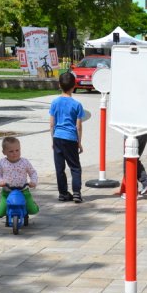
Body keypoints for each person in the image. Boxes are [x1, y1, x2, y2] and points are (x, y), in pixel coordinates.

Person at [50, 72, 85, 203]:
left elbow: (52, 124)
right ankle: (76, 193)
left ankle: (63, 193)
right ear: (74, 86)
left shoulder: (55, 102)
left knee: (60, 168)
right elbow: (78, 126)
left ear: (59, 85)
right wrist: (79, 142)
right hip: (70, 138)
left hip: (57, 137)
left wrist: (53, 139)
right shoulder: (77, 105)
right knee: (75, 167)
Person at [0, 136, 39, 218]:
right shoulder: (2, 162)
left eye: (17, 150)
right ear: (4, 152)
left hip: (23, 190)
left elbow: (33, 172)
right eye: (11, 151)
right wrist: (0, 181)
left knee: (32, 209)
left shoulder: (24, 162)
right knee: (1, 212)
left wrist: (33, 181)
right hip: (7, 191)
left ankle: (33, 205)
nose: (15, 153)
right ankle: (3, 211)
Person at [121, 133, 147, 199]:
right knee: (134, 160)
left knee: (128, 162)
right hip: (143, 134)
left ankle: (132, 192)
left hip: (132, 136)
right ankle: (146, 182)